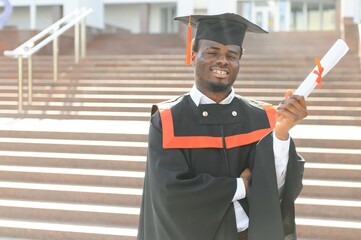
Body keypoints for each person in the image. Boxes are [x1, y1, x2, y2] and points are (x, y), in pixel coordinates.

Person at [138, 13, 307, 240]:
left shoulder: (262, 117)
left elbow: (278, 188)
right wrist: (241, 186)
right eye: (212, 52)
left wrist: (281, 134)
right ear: (193, 55)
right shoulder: (169, 119)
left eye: (231, 55)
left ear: (239, 61)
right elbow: (170, 193)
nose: (223, 61)